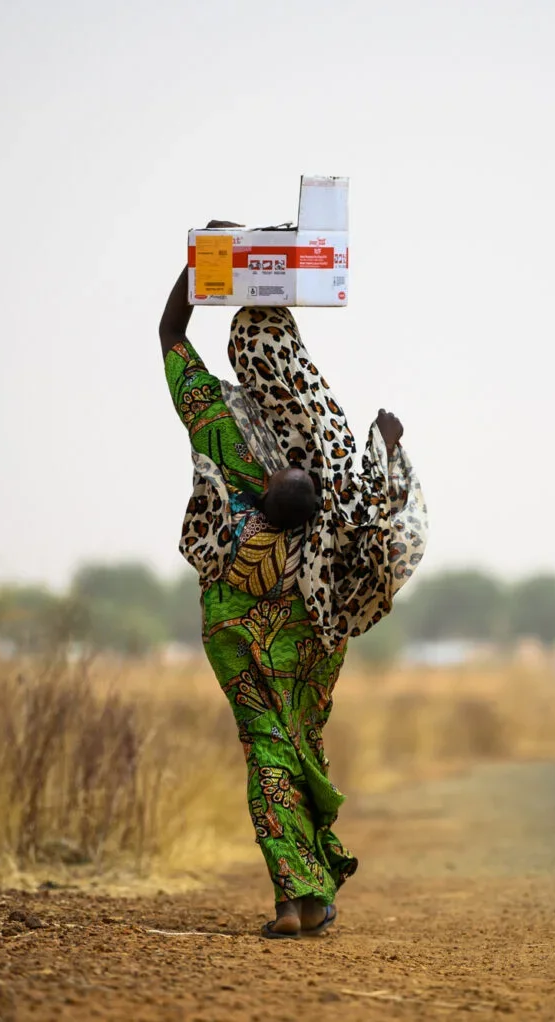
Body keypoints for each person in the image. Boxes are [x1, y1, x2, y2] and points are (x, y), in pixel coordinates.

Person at [157, 225, 428, 938]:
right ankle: (298, 895)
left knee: (285, 751)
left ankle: (305, 893)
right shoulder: (259, 437)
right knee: (279, 750)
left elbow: (170, 334)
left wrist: (204, 266)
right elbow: (383, 517)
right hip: (255, 637)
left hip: (288, 641)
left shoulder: (236, 435)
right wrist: (213, 259)